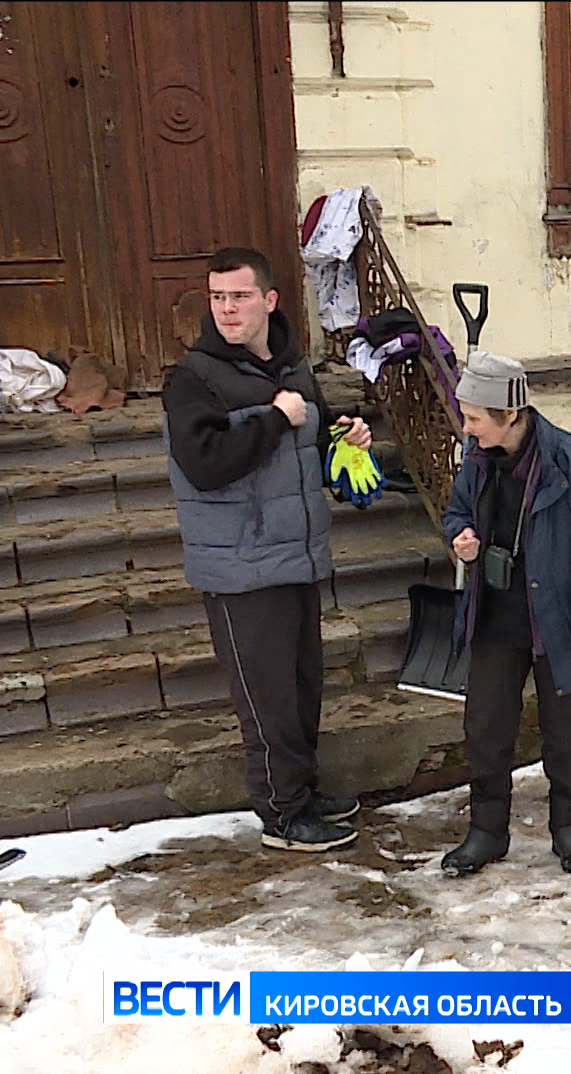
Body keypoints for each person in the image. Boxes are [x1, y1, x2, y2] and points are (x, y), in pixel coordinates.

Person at [164, 247, 372, 853]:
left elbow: (315, 431)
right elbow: (205, 465)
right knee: (267, 698)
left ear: (269, 300)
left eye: (240, 296)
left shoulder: (292, 366)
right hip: (239, 567)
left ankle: (302, 791)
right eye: (217, 297)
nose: (228, 308)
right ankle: (282, 814)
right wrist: (275, 422)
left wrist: (345, 435)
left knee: (303, 687)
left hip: (297, 554)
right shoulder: (194, 379)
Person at [440, 352, 571, 875]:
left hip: (559, 624)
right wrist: (460, 538)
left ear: (510, 415)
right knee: (485, 729)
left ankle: (568, 829)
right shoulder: (475, 457)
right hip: (495, 620)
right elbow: (455, 511)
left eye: (475, 417)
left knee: (567, 734)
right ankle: (486, 832)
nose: (467, 427)